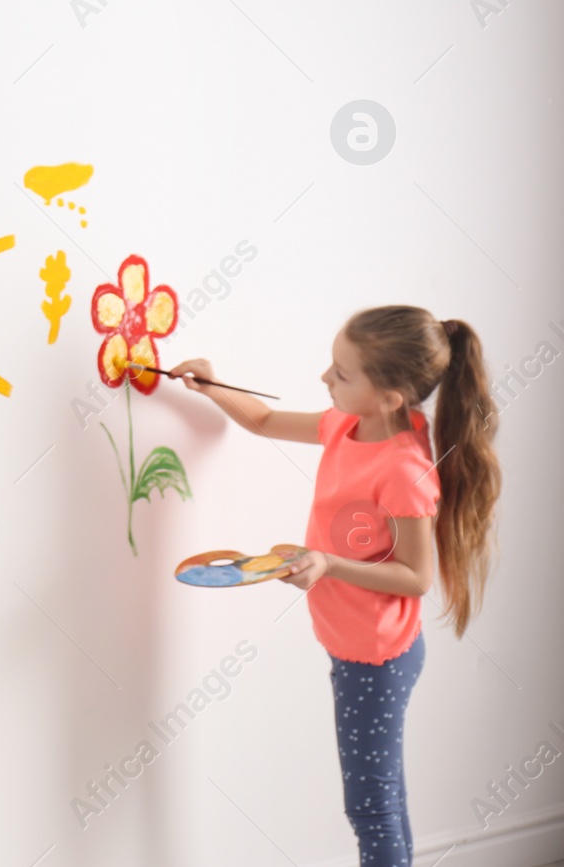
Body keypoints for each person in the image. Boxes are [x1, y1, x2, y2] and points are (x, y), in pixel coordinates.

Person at [171, 307, 500, 867]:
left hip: (375, 656)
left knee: (370, 807)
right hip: (359, 644)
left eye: (342, 373)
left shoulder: (403, 469)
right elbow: (266, 422)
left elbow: (417, 577)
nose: (326, 378)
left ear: (392, 397)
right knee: (385, 799)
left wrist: (327, 563)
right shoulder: (346, 425)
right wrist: (212, 386)